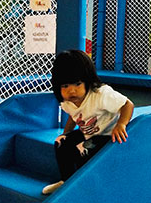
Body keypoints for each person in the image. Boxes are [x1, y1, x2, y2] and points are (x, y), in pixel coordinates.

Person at [41, 50, 134, 195]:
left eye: (77, 84)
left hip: (108, 135)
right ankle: (66, 180)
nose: (72, 91)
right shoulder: (67, 102)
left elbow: (128, 104)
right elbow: (73, 116)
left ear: (88, 80)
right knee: (61, 142)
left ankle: (84, 184)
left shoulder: (101, 94)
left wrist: (121, 124)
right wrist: (66, 134)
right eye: (65, 86)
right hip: (89, 133)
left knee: (85, 148)